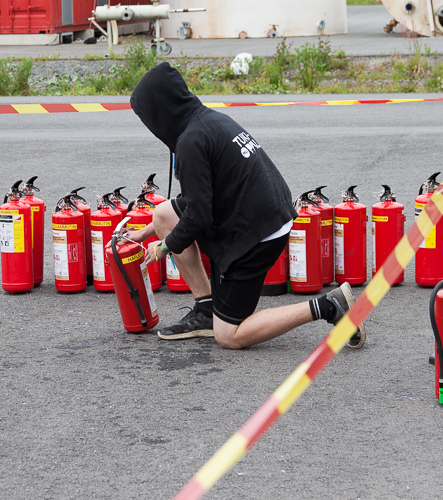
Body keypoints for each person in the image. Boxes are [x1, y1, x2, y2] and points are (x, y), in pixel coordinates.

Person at [126, 62, 365, 349]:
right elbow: (196, 200)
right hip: (262, 209)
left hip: (259, 232)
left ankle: (329, 306)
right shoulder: (211, 120)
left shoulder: (191, 142)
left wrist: (164, 247)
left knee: (229, 335)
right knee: (164, 214)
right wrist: (146, 232)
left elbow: (199, 215)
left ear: (160, 110)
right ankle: (206, 311)